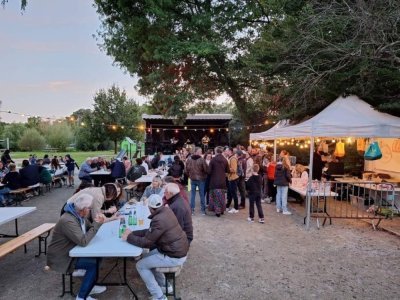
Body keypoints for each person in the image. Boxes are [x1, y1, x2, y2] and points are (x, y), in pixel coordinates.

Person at [122, 194, 189, 300]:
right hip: (175, 249)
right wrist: (132, 233)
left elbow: (146, 243)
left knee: (140, 265)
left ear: (150, 208)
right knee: (146, 258)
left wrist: (129, 237)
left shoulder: (158, 220)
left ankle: (159, 296)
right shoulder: (166, 211)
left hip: (173, 255)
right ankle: (165, 286)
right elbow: (149, 232)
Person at [47, 194, 107, 300]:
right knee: (93, 264)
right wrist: (97, 225)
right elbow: (83, 241)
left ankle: (89, 285)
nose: (90, 210)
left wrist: (97, 222)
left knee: (99, 256)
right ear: (83, 209)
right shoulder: (68, 220)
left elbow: (90, 228)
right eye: (89, 208)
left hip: (73, 251)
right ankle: (81, 297)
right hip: (62, 257)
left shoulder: (79, 215)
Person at [185, 147, 208, 215]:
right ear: (196, 152)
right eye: (200, 151)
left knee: (192, 195)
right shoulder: (201, 159)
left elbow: (186, 170)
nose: (201, 152)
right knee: (202, 195)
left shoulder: (189, 159)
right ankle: (203, 210)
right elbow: (206, 169)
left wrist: (190, 176)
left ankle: (192, 210)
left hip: (192, 179)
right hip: (201, 179)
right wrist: (204, 175)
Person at [208, 146, 229, 217]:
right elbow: (227, 171)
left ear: (216, 151)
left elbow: (209, 171)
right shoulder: (225, 160)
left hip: (214, 181)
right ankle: (222, 210)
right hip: (222, 181)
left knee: (215, 197)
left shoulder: (213, 160)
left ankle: (217, 212)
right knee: (222, 197)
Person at [225, 147, 239, 213]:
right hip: (230, 178)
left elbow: (234, 169)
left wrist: (226, 169)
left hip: (233, 178)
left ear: (230, 151)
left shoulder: (233, 159)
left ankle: (236, 208)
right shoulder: (230, 158)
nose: (225, 152)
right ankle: (227, 206)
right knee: (230, 193)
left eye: (226, 151)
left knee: (233, 193)